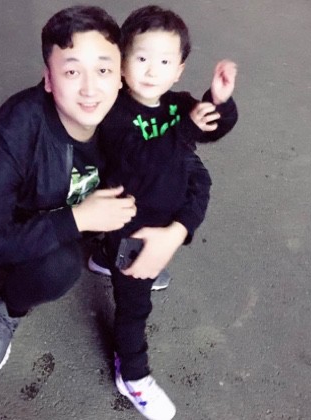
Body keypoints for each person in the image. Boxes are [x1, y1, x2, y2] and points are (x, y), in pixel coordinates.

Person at [0, 6, 137, 375]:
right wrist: (76, 220)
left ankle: (109, 251)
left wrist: (175, 231)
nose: (90, 89)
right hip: (31, 229)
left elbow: (187, 166)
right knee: (58, 268)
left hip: (92, 211)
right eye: (72, 71)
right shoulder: (14, 129)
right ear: (48, 79)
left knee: (160, 179)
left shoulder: (127, 113)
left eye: (103, 70)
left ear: (121, 76)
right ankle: (7, 308)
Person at [92, 6, 238, 420]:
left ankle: (103, 259)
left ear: (178, 70)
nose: (151, 70)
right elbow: (142, 160)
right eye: (141, 58)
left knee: (128, 274)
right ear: (122, 63)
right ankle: (132, 375)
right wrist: (185, 130)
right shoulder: (114, 112)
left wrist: (220, 102)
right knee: (134, 306)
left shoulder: (177, 105)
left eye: (164, 61)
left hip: (161, 213)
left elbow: (208, 127)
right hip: (129, 225)